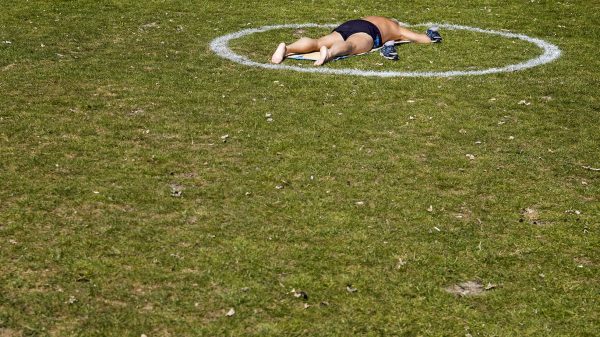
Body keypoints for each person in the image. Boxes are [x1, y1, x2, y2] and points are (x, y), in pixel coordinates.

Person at [271, 16, 442, 66]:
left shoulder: (378, 17)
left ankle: (287, 48)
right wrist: (429, 35)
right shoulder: (396, 29)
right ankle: (329, 53)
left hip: (351, 24)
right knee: (352, 45)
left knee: (318, 41)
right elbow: (423, 39)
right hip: (369, 32)